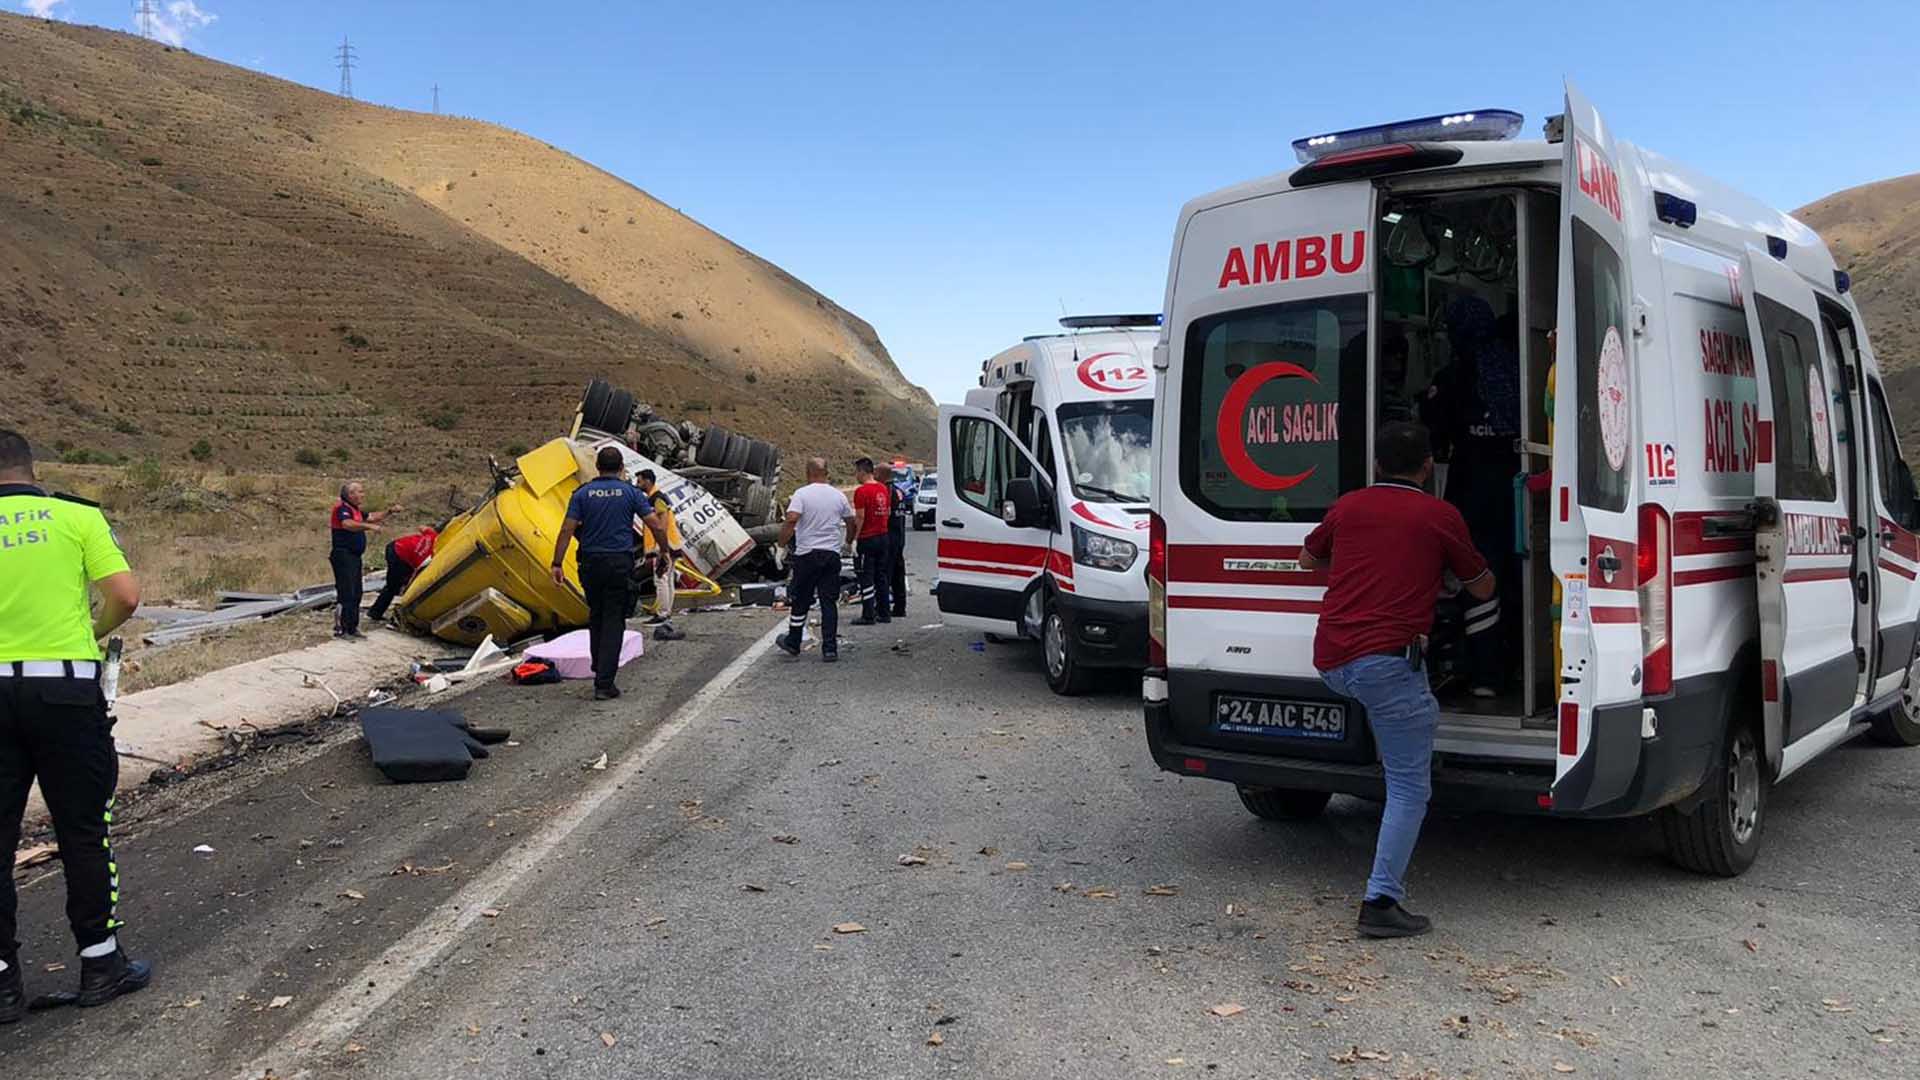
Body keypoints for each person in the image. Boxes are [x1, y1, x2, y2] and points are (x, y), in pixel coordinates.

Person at [1297, 421, 1495, 939]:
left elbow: (1307, 558)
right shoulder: (1439, 514)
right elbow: (1481, 588)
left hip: (1331, 659)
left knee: (1391, 721)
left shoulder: (1348, 507)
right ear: (1428, 467)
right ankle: (1380, 901)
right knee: (1408, 788)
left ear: (1377, 464)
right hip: (1385, 664)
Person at [0, 429, 151, 1020]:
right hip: (64, 688)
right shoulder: (75, 517)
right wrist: (91, 635)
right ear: (30, 469)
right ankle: (100, 961)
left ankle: (3, 983)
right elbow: (126, 596)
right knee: (83, 829)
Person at [550, 447, 673, 700]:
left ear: (597, 467)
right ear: (620, 469)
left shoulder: (582, 494)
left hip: (590, 564)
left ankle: (599, 666)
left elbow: (566, 530)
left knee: (596, 615)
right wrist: (664, 551)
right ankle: (604, 682)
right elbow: (655, 524)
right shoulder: (631, 493)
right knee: (614, 619)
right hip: (619, 563)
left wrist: (557, 563)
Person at [776, 457, 855, 662]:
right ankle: (830, 648)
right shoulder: (838, 496)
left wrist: (781, 545)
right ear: (826, 473)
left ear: (808, 473)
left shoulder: (802, 494)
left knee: (801, 599)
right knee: (829, 601)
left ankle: (793, 642)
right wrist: (848, 542)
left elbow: (792, 518)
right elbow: (850, 521)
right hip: (831, 554)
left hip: (807, 555)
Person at [328, 481, 397, 640]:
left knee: (357, 592)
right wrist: (368, 527)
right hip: (343, 555)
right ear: (350, 494)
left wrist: (389, 511)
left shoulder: (356, 510)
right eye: (359, 491)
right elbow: (347, 524)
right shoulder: (342, 509)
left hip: (355, 556)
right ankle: (341, 629)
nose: (362, 494)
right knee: (346, 592)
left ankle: (352, 627)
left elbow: (372, 517)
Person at [634, 469, 686, 642]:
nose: (637, 484)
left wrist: (660, 546)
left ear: (648, 481)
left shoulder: (656, 498)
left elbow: (662, 522)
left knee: (661, 579)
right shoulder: (658, 497)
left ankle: (662, 614)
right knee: (668, 579)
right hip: (671, 544)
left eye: (640, 481)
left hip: (664, 545)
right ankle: (666, 612)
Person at [850, 458, 893, 625]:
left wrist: (854, 539)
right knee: (881, 576)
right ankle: (884, 612)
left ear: (862, 471)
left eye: (856, 472)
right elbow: (887, 512)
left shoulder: (862, 491)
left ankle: (868, 614)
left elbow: (860, 517)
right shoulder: (882, 488)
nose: (856, 476)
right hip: (883, 536)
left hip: (867, 538)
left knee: (866, 577)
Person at [365, 526, 438, 622]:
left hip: (394, 547)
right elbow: (417, 572)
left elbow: (422, 527)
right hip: (401, 558)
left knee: (395, 585)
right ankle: (375, 613)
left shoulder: (432, 535)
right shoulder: (431, 556)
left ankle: (378, 611)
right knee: (393, 587)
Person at [886, 462, 911, 619]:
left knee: (885, 574)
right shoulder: (899, 491)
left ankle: (883, 607)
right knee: (898, 573)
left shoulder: (887, 492)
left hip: (889, 537)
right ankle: (900, 607)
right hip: (899, 536)